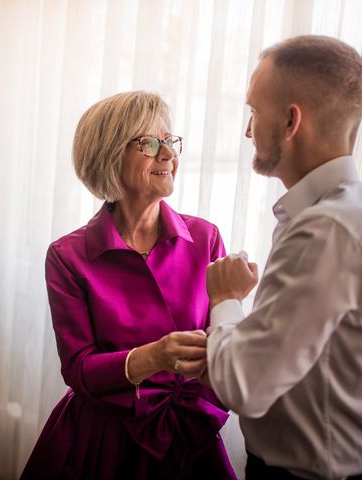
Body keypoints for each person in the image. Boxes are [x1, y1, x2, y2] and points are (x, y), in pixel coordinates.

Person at [204, 35, 362, 480]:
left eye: (254, 113)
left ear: (291, 121)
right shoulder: (343, 217)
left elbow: (247, 386)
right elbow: (303, 366)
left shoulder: (327, 230)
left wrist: (224, 299)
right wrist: (218, 353)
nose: (247, 130)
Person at [20, 91, 236, 479]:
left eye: (170, 141)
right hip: (103, 442)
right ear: (108, 155)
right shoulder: (68, 256)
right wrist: (155, 356)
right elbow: (79, 370)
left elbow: (226, 345)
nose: (168, 154)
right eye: (149, 143)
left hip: (191, 437)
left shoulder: (206, 238)